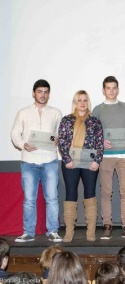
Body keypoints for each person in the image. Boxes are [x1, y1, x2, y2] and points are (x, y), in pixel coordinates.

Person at [11, 79, 63, 242]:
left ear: (49, 94)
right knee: (29, 200)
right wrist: (23, 145)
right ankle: (28, 232)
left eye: (46, 92)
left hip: (50, 161)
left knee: (52, 198)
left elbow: (60, 135)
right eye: (40, 91)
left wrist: (58, 140)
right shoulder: (23, 112)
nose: (43, 95)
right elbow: (14, 134)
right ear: (34, 93)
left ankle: (53, 231)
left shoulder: (55, 112)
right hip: (29, 161)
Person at [92, 76, 125, 239]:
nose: (111, 91)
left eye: (114, 88)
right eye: (108, 88)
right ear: (103, 90)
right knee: (106, 192)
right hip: (105, 156)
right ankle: (107, 225)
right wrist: (100, 142)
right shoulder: (98, 109)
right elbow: (93, 132)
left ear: (117, 89)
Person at [58, 90, 104, 242]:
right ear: (75, 103)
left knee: (90, 193)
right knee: (71, 194)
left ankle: (90, 231)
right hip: (70, 163)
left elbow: (99, 143)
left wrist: (97, 160)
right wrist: (66, 159)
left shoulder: (95, 121)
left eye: (85, 100)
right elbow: (63, 141)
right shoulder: (66, 120)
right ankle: (69, 231)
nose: (82, 103)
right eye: (79, 100)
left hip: (89, 164)